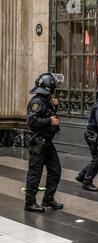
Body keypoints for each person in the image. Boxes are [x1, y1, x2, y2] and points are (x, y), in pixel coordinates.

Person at [24, 73, 65, 213]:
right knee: (35, 173)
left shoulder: (46, 100)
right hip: (38, 142)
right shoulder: (37, 102)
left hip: (47, 142)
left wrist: (55, 107)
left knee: (55, 170)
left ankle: (48, 199)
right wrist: (49, 121)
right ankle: (29, 203)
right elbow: (32, 121)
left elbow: (49, 115)